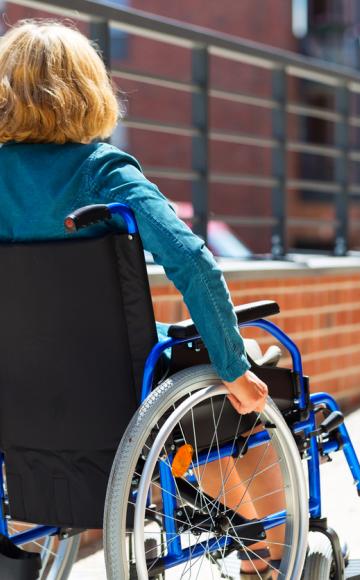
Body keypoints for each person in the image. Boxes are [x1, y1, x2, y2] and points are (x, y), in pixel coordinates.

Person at [0, 19, 280, 578]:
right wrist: (233, 365)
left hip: (20, 399)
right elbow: (193, 261)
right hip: (120, 398)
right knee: (237, 383)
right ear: (87, 90)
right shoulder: (103, 171)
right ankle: (264, 559)